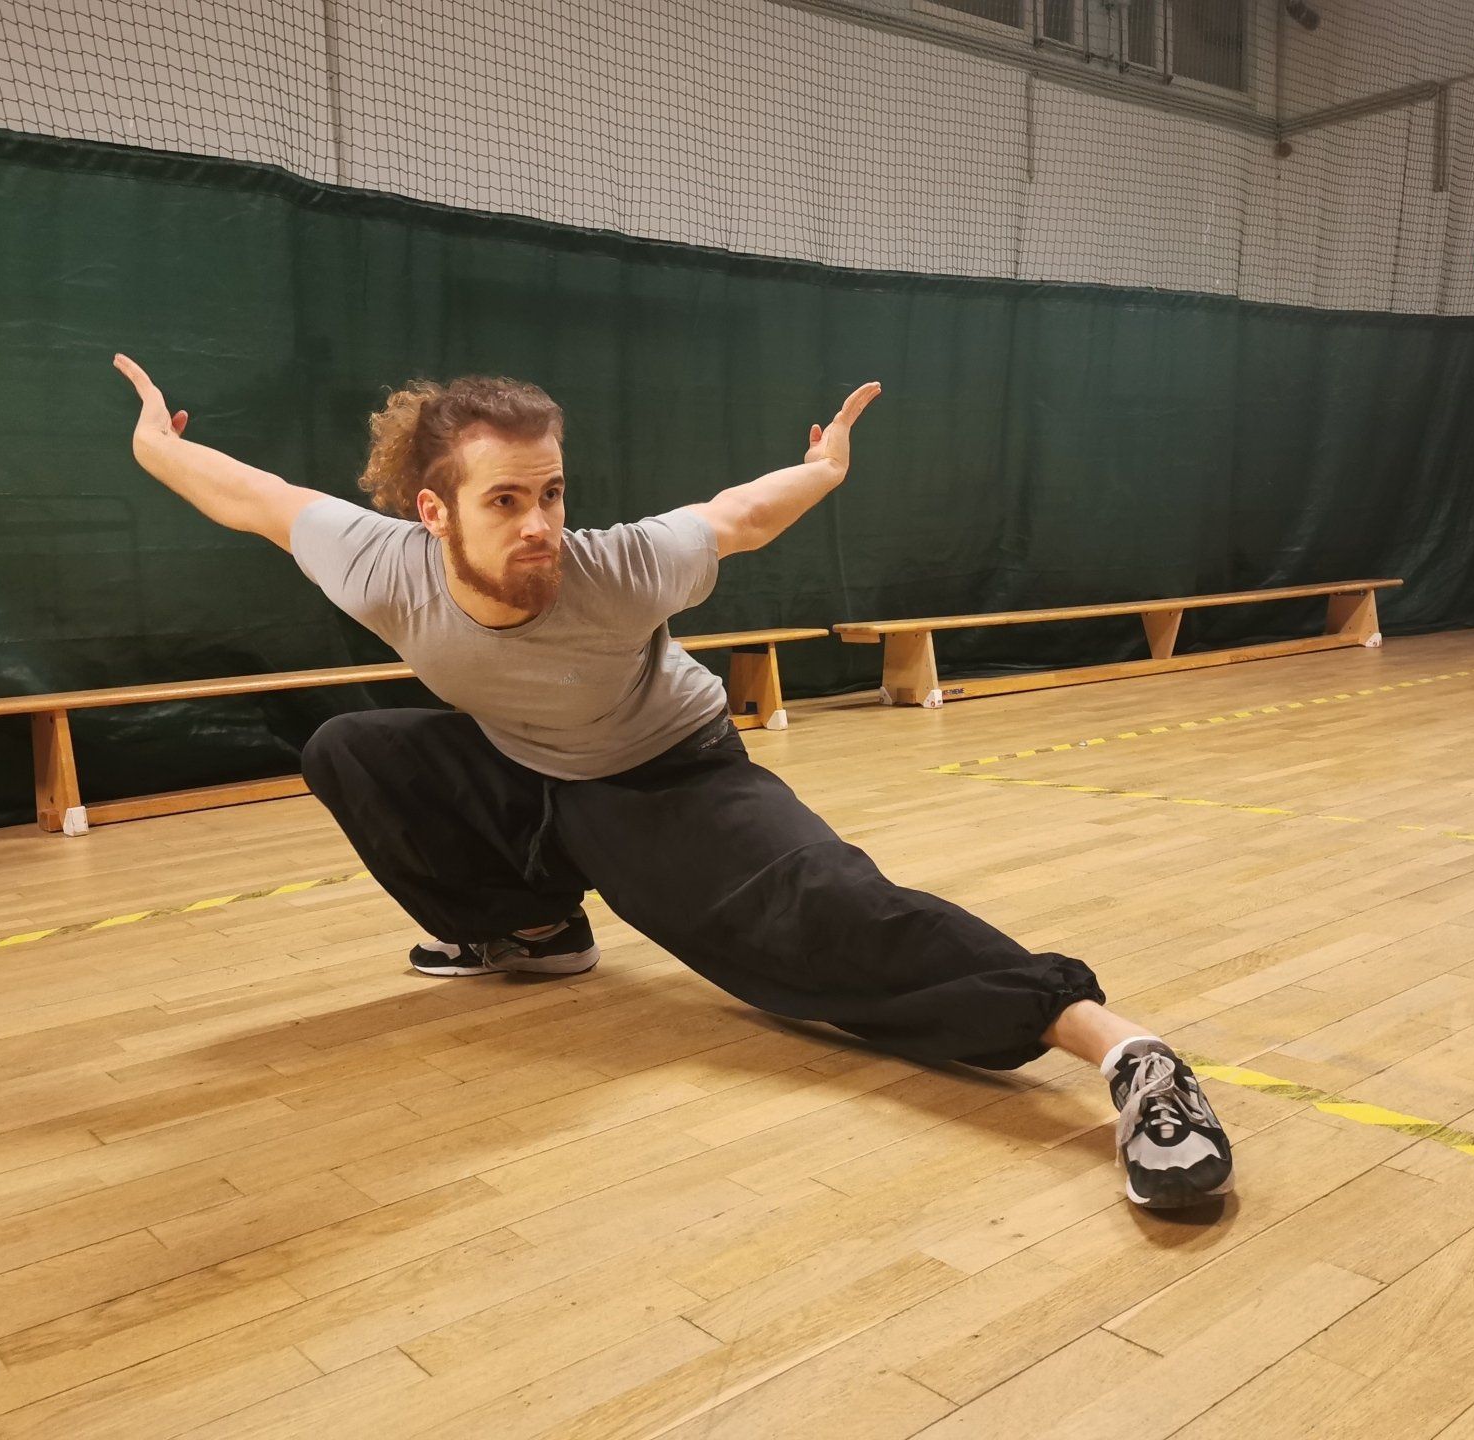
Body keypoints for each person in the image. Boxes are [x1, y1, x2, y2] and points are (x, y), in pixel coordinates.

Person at [112, 353, 1233, 1210]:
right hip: (525, 768)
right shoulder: (376, 567)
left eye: (552, 493)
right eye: (506, 501)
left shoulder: (616, 568)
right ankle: (536, 933)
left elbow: (739, 518)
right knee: (354, 750)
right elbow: (251, 495)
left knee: (838, 915)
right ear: (434, 512)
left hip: (669, 778)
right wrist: (155, 443)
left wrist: (822, 468)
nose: (541, 526)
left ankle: (1129, 1055)